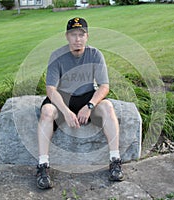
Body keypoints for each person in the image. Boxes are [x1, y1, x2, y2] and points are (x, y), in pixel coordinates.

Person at [36, 17, 124, 190]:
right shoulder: (57, 56)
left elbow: (104, 86)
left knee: (107, 107)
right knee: (46, 111)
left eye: (81, 35)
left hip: (86, 96)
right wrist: (66, 112)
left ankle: (115, 161)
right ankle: (42, 166)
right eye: (73, 34)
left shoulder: (95, 54)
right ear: (67, 36)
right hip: (62, 98)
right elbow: (51, 90)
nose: (77, 39)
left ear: (87, 36)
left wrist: (90, 106)